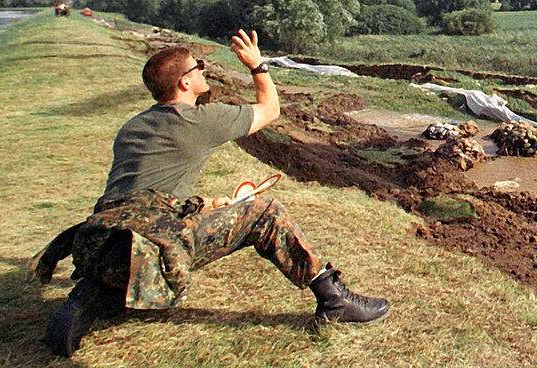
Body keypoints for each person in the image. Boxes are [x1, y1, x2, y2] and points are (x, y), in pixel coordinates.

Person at [31, 29, 389, 357]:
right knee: (265, 212)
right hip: (145, 251)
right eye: (198, 67)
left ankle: (88, 297)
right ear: (186, 82)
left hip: (98, 247)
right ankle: (333, 300)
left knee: (132, 255)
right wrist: (257, 65)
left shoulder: (132, 127)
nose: (204, 70)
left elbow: (143, 197)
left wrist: (204, 204)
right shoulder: (200, 120)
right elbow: (271, 110)